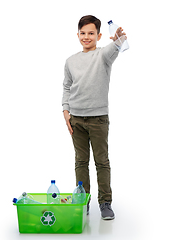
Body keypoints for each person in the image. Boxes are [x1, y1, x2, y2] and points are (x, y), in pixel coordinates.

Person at [62, 15, 127, 220]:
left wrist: (118, 39)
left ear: (99, 36)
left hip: (98, 119)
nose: (86, 37)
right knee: (81, 162)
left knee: (101, 161)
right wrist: (65, 110)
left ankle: (105, 203)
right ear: (78, 35)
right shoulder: (71, 61)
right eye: (83, 33)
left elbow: (116, 46)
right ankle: (83, 202)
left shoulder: (103, 56)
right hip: (76, 120)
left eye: (91, 33)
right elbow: (66, 86)